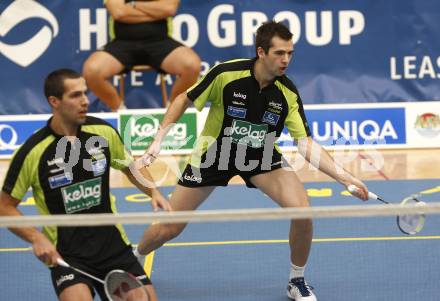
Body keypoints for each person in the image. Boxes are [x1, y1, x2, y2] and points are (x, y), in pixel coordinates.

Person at [135, 21, 370, 301]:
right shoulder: (226, 74)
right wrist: (159, 138)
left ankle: (297, 281)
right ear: (261, 52)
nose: (286, 60)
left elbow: (305, 143)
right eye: (279, 53)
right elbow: (184, 99)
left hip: (260, 157)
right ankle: (135, 256)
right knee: (170, 227)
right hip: (214, 155)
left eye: (290, 53)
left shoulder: (287, 93)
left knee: (302, 210)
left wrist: (346, 178)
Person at [0, 69, 172, 301]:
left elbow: (129, 166)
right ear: (54, 101)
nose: (85, 101)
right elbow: (5, 206)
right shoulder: (33, 152)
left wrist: (153, 190)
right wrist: (36, 237)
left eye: (85, 93)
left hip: (112, 246)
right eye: (75, 95)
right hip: (68, 254)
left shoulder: (102, 132)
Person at [83, 0, 201, 111]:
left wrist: (132, 4)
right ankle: (119, 111)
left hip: (160, 41)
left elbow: (169, 9)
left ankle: (174, 110)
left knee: (191, 65)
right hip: (122, 43)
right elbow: (118, 13)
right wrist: (155, 11)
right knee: (92, 70)